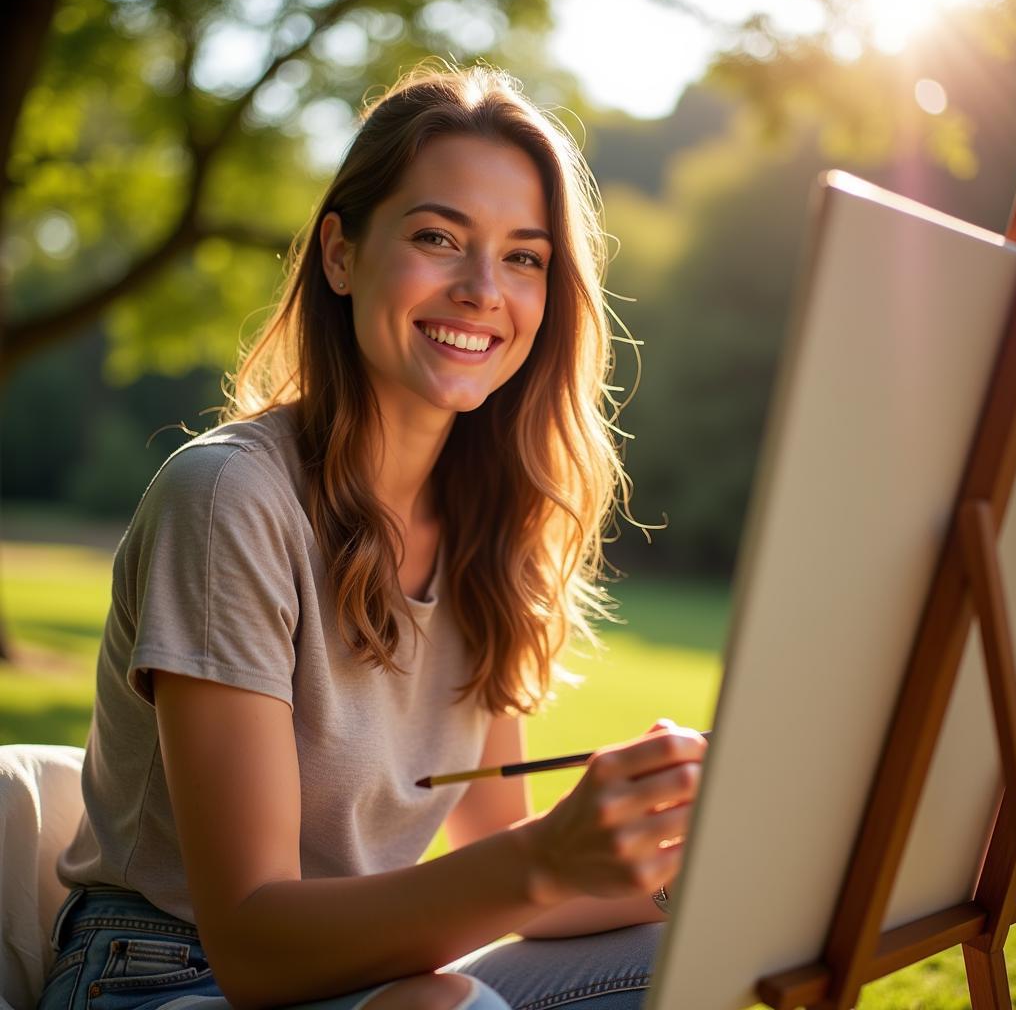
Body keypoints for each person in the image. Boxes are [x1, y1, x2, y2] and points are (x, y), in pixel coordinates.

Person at [38, 61, 707, 1010]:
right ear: (341, 255)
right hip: (159, 974)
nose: (484, 289)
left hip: (371, 971)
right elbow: (256, 945)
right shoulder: (230, 497)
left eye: (524, 256)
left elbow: (490, 852)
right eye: (440, 237)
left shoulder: (489, 528)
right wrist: (544, 860)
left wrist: (689, 866)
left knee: (697, 950)